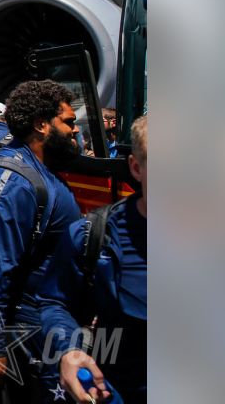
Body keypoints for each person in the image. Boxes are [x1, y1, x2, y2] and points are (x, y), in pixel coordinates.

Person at [0, 80, 83, 404]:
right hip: (25, 336)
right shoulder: (12, 181)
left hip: (49, 328)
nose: (75, 130)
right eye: (69, 122)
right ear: (41, 125)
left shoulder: (44, 171)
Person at [35, 115, 147, 403]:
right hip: (117, 390)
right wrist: (69, 349)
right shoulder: (92, 236)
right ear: (136, 168)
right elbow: (55, 302)